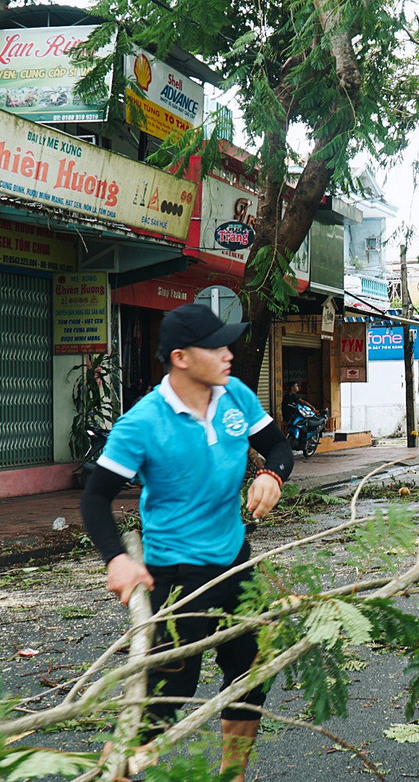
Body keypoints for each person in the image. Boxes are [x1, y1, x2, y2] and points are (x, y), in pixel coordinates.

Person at [80, 303, 295, 781]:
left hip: (235, 561)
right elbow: (95, 500)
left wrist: (271, 476)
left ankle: (231, 776)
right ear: (180, 357)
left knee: (251, 671)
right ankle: (117, 770)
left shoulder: (236, 395)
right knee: (167, 693)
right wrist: (117, 559)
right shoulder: (142, 423)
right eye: (215, 346)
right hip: (176, 574)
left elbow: (280, 448)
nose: (228, 353)